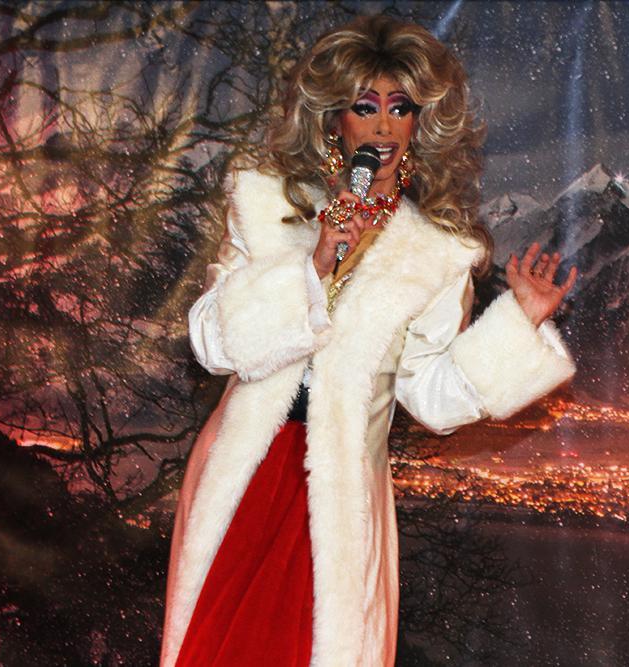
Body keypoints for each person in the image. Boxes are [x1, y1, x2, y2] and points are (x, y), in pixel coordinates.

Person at [160, 14, 577, 667]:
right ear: (335, 119)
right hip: (243, 479)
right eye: (365, 106)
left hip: (338, 500)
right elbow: (212, 345)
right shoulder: (267, 207)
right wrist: (312, 265)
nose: (383, 126)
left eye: (400, 107)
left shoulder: (436, 253)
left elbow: (432, 398)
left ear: (419, 123)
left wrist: (518, 320)